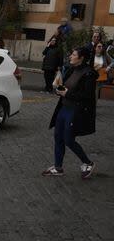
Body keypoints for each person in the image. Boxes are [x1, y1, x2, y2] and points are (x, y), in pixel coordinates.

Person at [42, 48, 96, 179]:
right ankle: (58, 167)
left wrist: (67, 93)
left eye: (74, 54)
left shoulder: (89, 74)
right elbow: (65, 86)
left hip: (75, 111)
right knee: (58, 137)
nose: (70, 56)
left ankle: (88, 163)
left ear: (81, 58)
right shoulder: (72, 69)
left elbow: (87, 96)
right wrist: (59, 90)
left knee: (69, 140)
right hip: (63, 108)